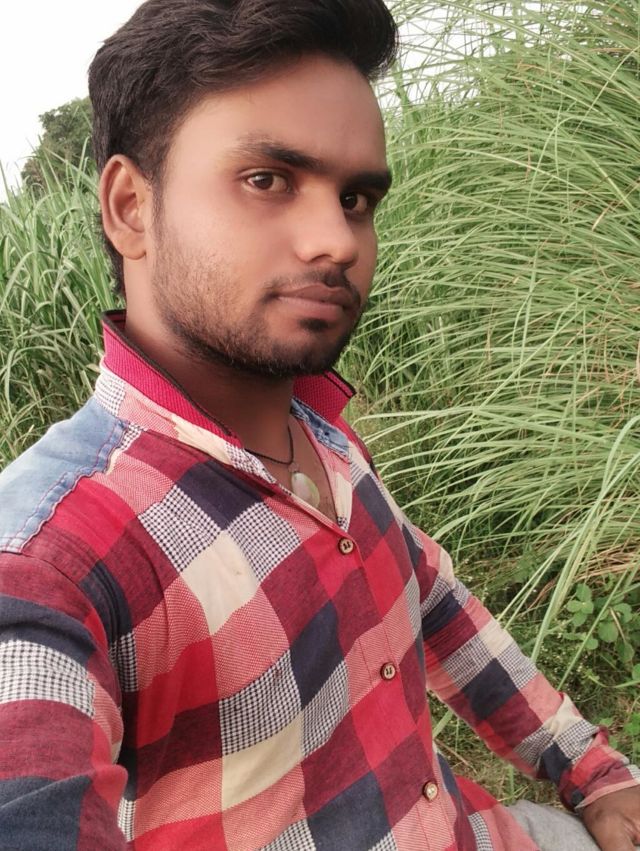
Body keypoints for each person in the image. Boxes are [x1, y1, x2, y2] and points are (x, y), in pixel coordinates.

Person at [0, 1, 638, 849]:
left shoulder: (325, 435)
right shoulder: (53, 562)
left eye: (356, 198)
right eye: (267, 180)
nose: (336, 239)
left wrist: (593, 767)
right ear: (129, 207)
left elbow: (431, 599)